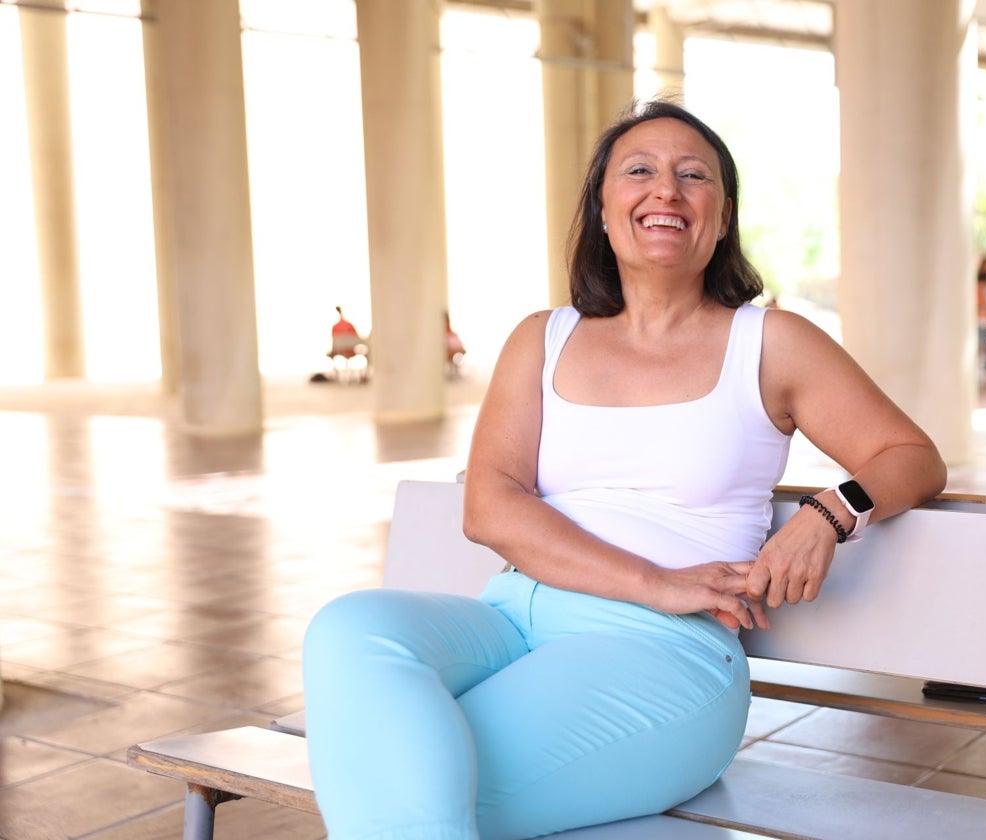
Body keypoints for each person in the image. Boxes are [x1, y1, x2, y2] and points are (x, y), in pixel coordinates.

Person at [301, 99, 947, 840]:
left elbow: (911, 457)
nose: (666, 191)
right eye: (639, 171)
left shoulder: (771, 342)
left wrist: (831, 512)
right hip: (510, 618)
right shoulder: (542, 338)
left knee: (413, 784)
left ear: (723, 214)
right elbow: (489, 506)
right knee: (351, 629)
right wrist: (657, 581)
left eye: (692, 176)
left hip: (663, 656)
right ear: (604, 210)